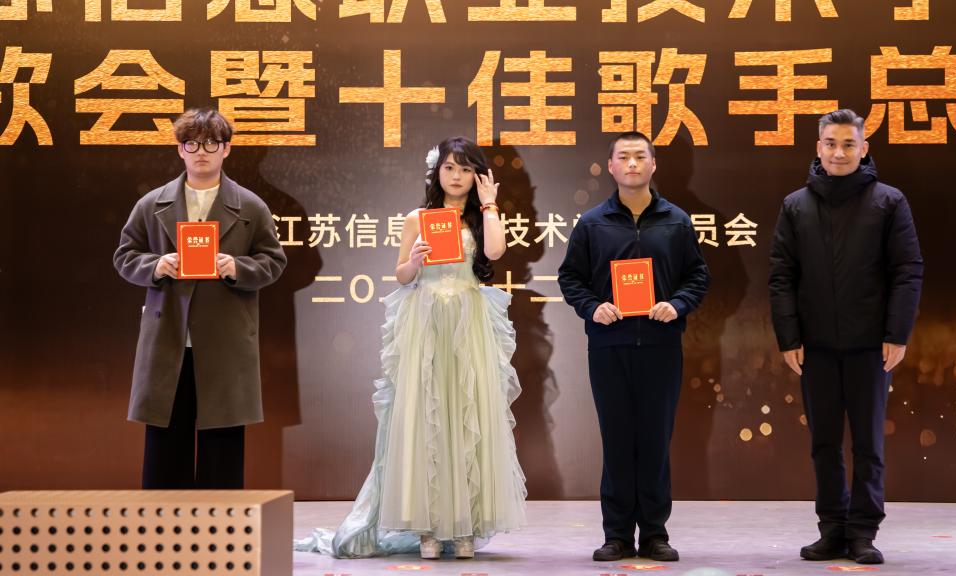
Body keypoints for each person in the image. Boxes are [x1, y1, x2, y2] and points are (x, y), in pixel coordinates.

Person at [296, 136, 526, 559]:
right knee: (426, 417)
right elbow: (401, 275)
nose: (456, 176)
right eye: (449, 168)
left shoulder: (481, 218)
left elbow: (495, 251)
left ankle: (465, 527)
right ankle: (427, 528)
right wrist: (416, 260)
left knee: (468, 415)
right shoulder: (418, 218)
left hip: (468, 321)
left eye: (465, 169)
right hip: (426, 322)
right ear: (437, 172)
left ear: (476, 176)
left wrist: (490, 204)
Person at [769, 109, 924, 565]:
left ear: (863, 148)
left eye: (848, 144)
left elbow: (908, 270)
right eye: (831, 144)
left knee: (869, 445)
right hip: (814, 346)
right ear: (818, 147)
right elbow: (782, 275)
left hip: (870, 346)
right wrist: (788, 337)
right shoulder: (795, 205)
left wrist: (897, 333)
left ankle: (863, 533)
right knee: (824, 443)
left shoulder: (889, 202)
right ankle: (832, 528)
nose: (839, 153)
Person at [112, 108, 287, 489]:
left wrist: (237, 267)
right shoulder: (152, 203)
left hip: (225, 339)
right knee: (165, 446)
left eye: (211, 143)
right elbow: (124, 256)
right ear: (180, 149)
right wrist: (156, 265)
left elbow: (274, 262)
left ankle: (220, 525)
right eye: (192, 144)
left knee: (222, 446)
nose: (201, 152)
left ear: (226, 149)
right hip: (169, 337)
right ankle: (164, 524)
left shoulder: (250, 206)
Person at [558, 131, 709, 562]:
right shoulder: (592, 223)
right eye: (623, 157)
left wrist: (676, 305)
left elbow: (697, 276)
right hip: (610, 347)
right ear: (611, 166)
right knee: (618, 440)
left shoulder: (676, 221)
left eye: (640, 156)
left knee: (656, 441)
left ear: (653, 164)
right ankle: (618, 535)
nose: (632, 164)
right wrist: (594, 308)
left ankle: (655, 534)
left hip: (661, 346)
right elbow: (570, 278)